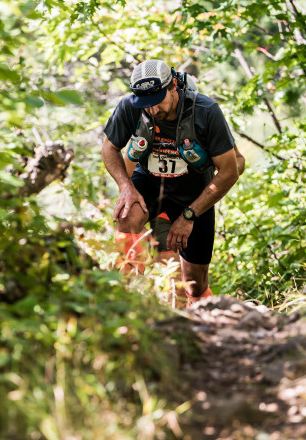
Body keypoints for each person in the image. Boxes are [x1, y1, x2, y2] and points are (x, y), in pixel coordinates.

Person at [102, 59, 240, 305]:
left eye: (157, 102)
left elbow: (230, 172)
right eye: (146, 105)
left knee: (195, 285)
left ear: (173, 86)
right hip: (149, 183)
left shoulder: (206, 112)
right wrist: (126, 186)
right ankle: (123, 301)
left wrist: (188, 216)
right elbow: (110, 148)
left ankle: (201, 319)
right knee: (126, 218)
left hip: (194, 192)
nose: (153, 111)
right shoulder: (129, 107)